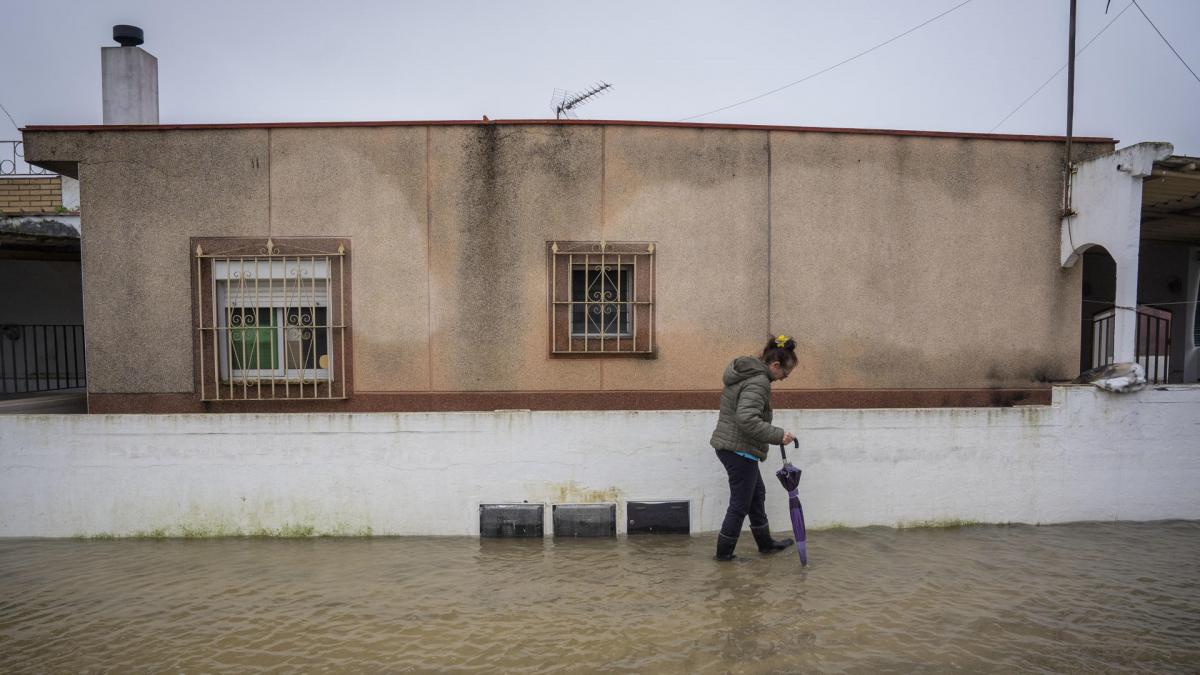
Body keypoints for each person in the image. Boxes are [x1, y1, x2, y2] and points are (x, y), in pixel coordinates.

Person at [709, 335, 798, 561]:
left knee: (756, 495)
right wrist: (779, 436)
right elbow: (747, 419)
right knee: (740, 504)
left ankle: (766, 544)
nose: (784, 378)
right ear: (775, 365)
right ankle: (723, 556)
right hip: (738, 449)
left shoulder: (748, 373)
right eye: (785, 373)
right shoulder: (759, 381)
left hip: (735, 446)